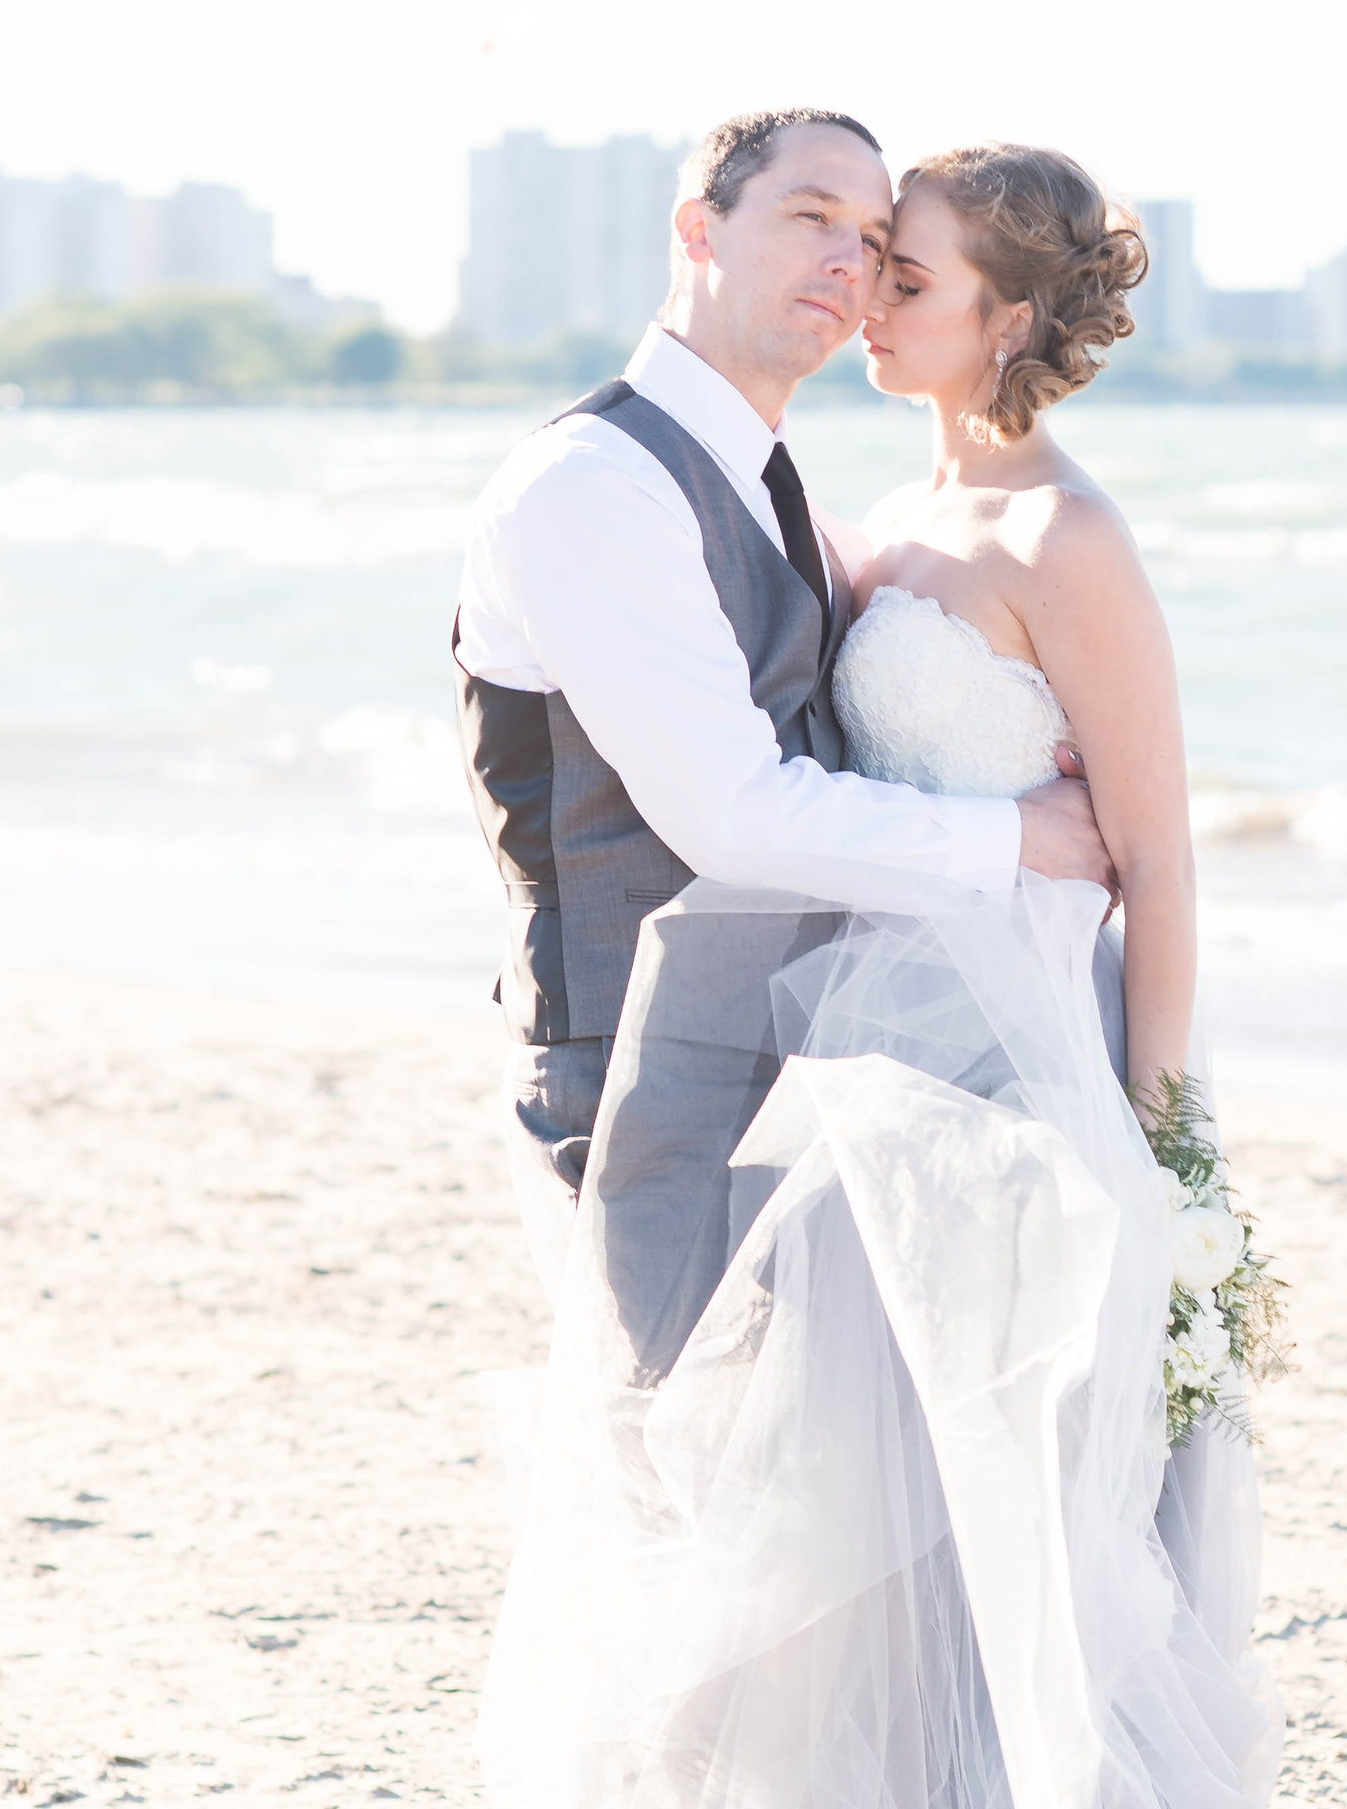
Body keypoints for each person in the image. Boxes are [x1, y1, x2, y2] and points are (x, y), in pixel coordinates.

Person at [473, 134, 1288, 1809]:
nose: (862, 291)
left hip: (1027, 1090)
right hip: (863, 1098)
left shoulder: (1059, 533)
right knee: (874, 1556)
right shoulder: (849, 524)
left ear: (1003, 314)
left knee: (1024, 1554)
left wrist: (1158, 1152)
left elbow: (1158, 869)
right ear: (710, 234)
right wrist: (998, 845)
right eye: (837, 245)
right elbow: (755, 807)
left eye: (897, 263)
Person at [452, 107, 1117, 1301]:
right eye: (810, 216)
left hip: (806, 1057)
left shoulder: (775, 489)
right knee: (690, 1461)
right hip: (637, 1063)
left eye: (871, 240)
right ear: (696, 229)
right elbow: (736, 820)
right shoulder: (590, 488)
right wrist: (1022, 836)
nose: (844, 264)